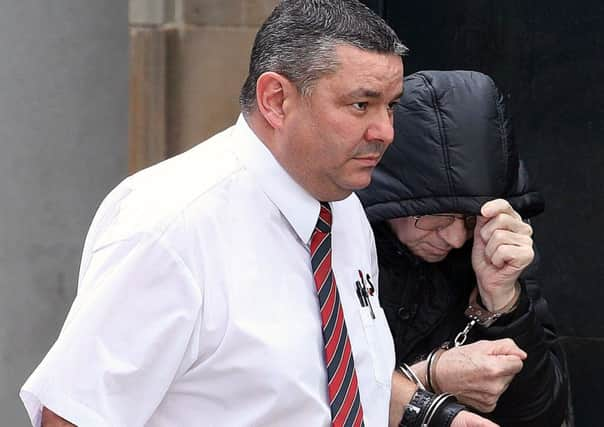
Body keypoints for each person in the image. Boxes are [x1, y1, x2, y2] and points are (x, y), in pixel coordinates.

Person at [20, 2, 491, 426]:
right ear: (276, 100)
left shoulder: (343, 212)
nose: (384, 131)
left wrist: (432, 416)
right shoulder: (169, 224)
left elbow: (317, 387)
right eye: (361, 104)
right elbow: (75, 415)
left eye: (390, 107)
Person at [357, 70, 568, 426]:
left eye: (470, 219)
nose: (455, 238)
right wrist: (428, 377)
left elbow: (544, 414)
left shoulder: (492, 249)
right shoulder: (343, 248)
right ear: (392, 199)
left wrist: (502, 301)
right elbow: (302, 392)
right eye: (436, 217)